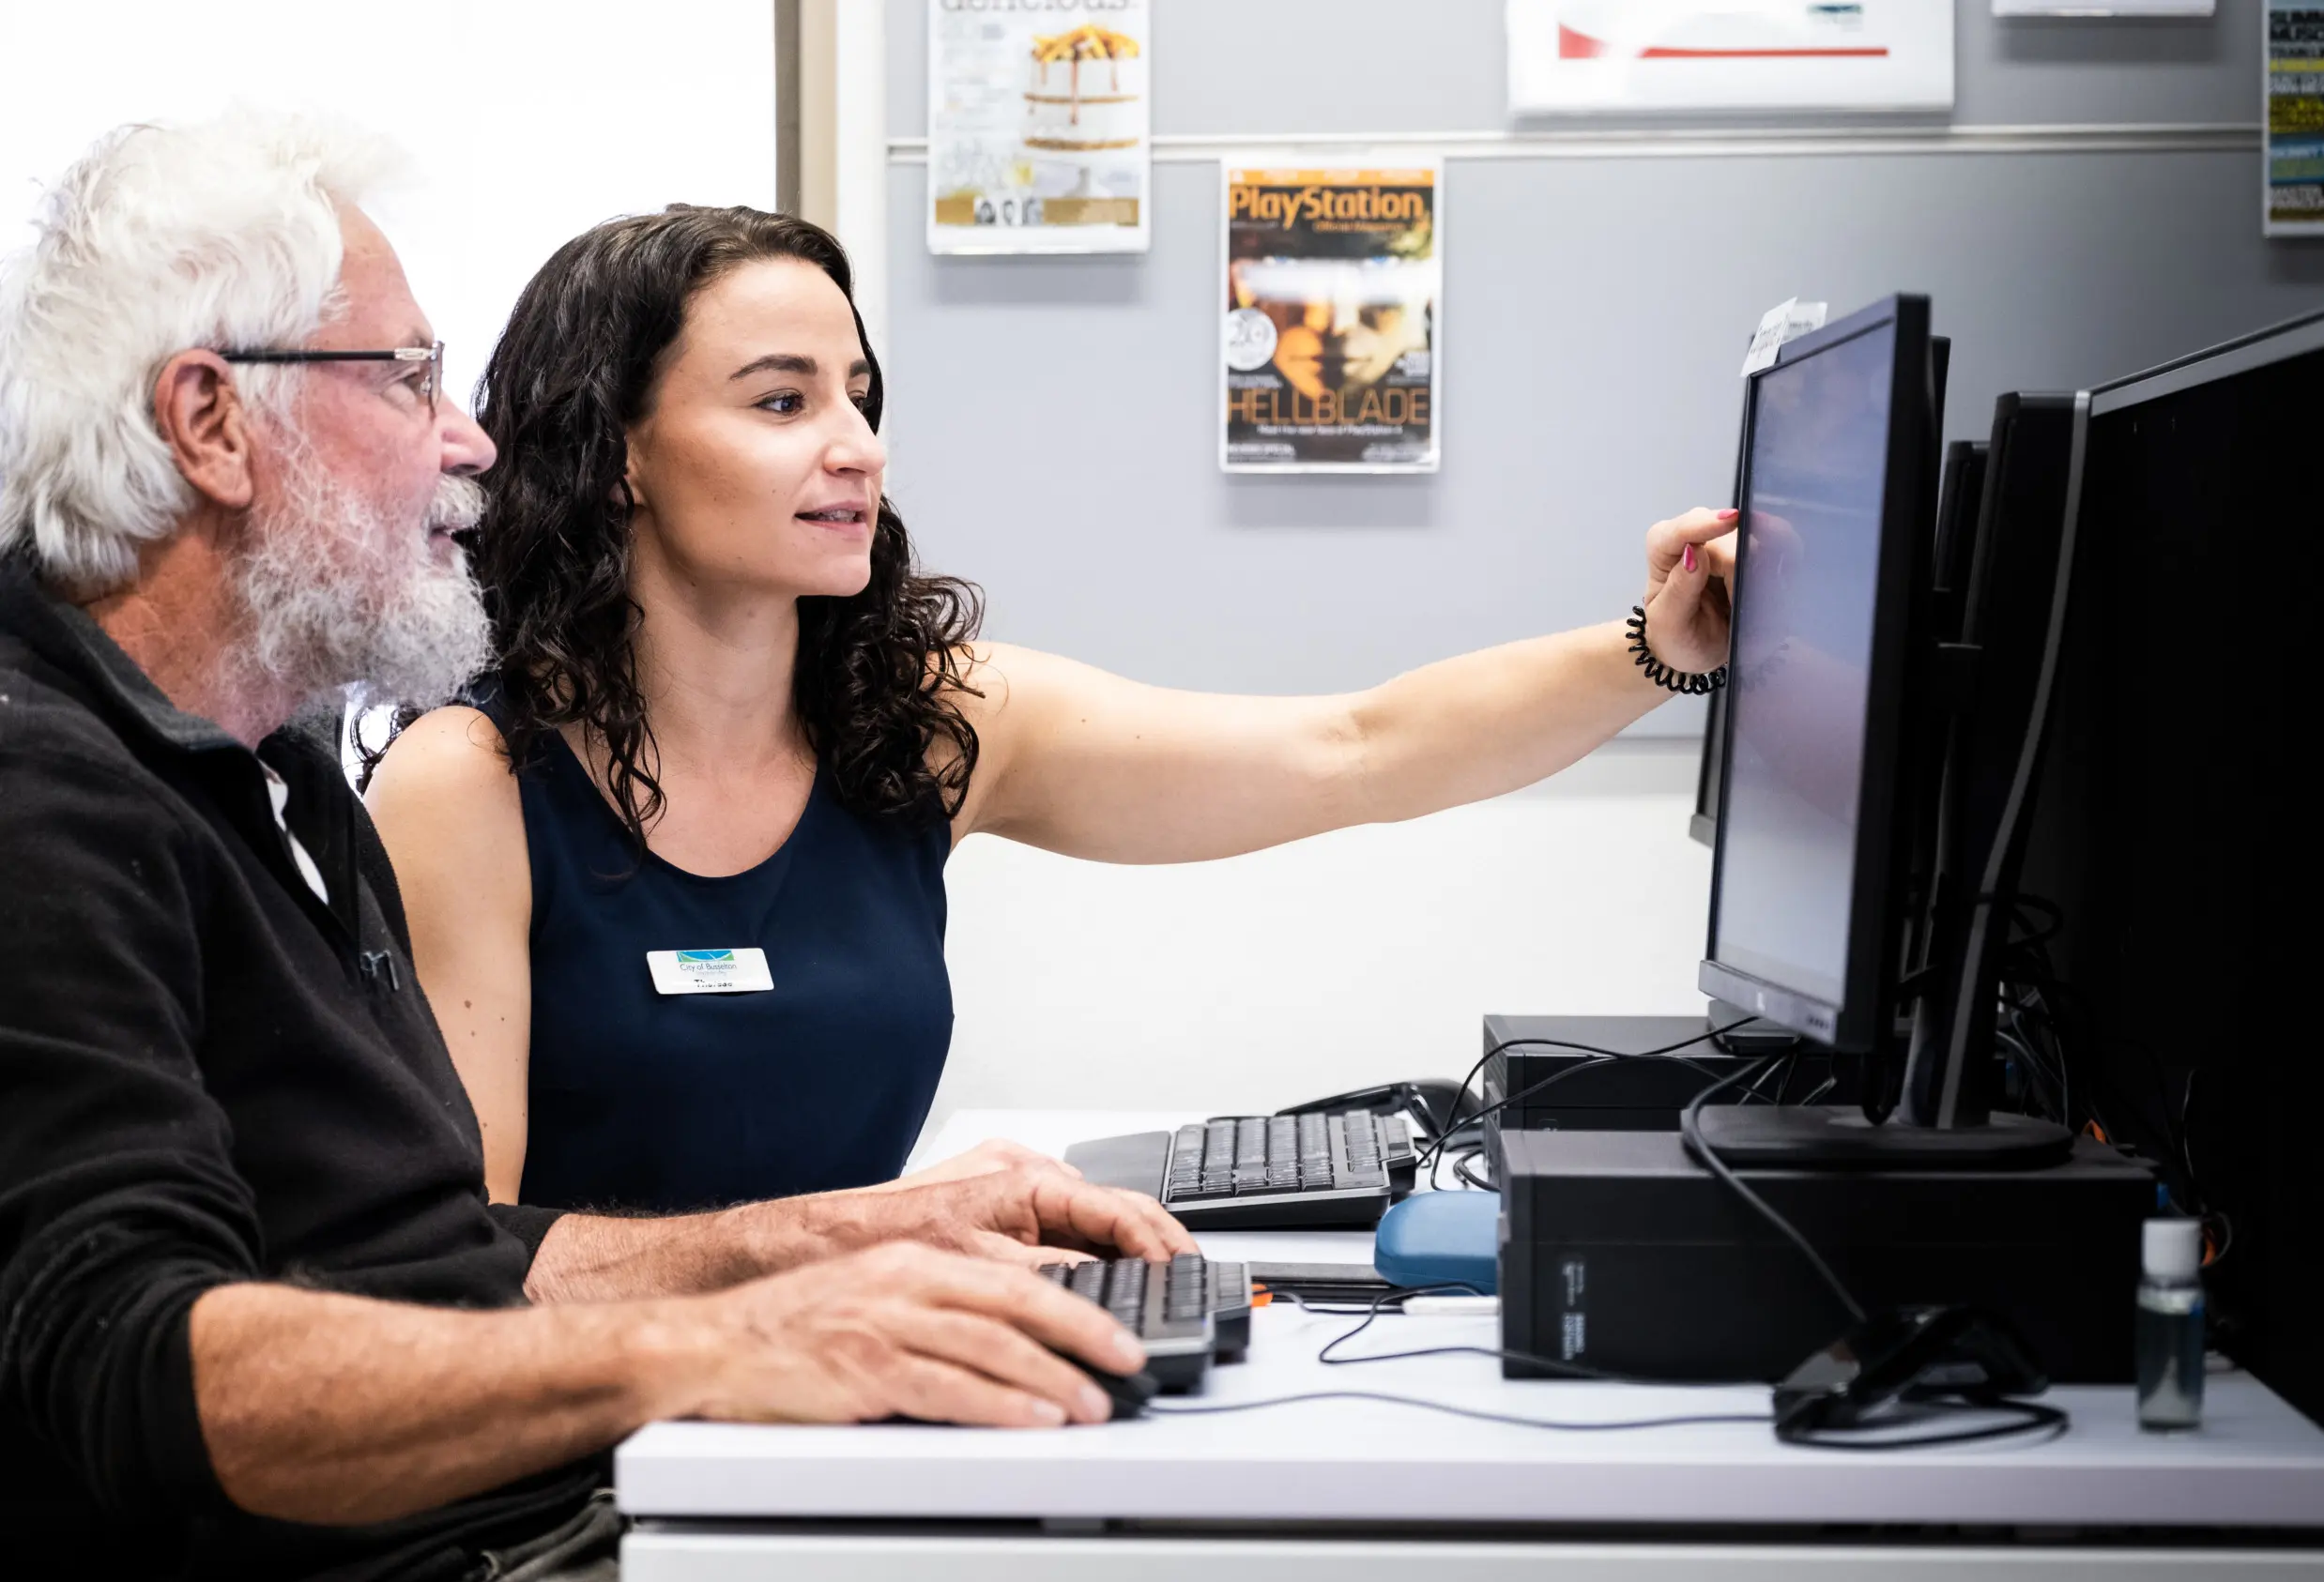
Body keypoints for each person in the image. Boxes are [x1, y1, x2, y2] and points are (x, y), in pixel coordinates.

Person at [0, 113, 1196, 1582]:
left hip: (528, 1518)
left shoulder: (276, 772)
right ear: (211, 421)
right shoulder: (39, 796)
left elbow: (449, 1257)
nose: (470, 440)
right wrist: (729, 1339)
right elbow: (137, 1364)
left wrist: (862, 1232)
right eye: (407, 379)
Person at [363, 205, 1740, 1218]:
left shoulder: (920, 725)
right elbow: (462, 1266)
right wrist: (885, 1239)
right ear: (616, 456)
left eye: (859, 393)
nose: (856, 442)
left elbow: (1354, 750)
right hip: (597, 1478)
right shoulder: (470, 783)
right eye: (782, 401)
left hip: (847, 1395)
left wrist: (1657, 646)